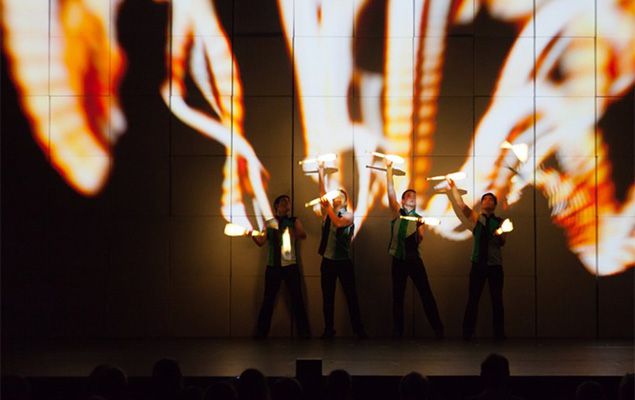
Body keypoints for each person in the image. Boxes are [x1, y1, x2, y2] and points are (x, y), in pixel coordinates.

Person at [385, 160, 444, 339]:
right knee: (397, 296)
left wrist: (419, 227)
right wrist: (389, 169)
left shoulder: (419, 218)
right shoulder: (397, 213)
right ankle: (398, 331)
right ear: (403, 201)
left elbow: (419, 240)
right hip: (398, 259)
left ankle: (438, 329)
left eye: (414, 197)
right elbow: (390, 192)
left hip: (413, 259)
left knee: (426, 294)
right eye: (409, 196)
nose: (412, 198)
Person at [445, 178, 507, 341]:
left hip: (495, 265)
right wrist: (453, 188)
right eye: (485, 199)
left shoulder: (500, 222)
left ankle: (499, 334)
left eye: (491, 199)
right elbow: (462, 206)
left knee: (497, 300)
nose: (488, 200)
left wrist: (499, 233)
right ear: (481, 204)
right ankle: (467, 333)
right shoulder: (477, 218)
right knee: (473, 299)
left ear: (495, 204)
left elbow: (503, 242)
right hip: (478, 264)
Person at [316, 162, 367, 339]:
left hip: (343, 261)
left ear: (345, 200)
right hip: (327, 261)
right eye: (335, 195)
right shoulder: (327, 213)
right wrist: (320, 170)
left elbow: (338, 223)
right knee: (327, 298)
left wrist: (328, 207)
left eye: (341, 195)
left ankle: (358, 330)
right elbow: (322, 193)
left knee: (351, 296)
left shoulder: (348, 215)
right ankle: (328, 330)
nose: (337, 196)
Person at [252, 195, 310, 339]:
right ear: (276, 206)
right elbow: (261, 241)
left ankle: (304, 332)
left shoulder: (294, 221)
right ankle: (261, 332)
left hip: (290, 265)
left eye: (288, 203)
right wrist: (252, 234)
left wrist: (290, 232)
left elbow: (303, 235)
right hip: (273, 266)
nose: (286, 205)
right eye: (283, 202)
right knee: (268, 300)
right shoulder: (270, 222)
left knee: (297, 299)